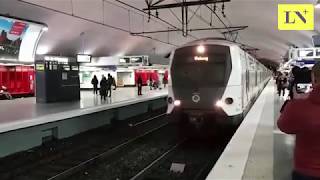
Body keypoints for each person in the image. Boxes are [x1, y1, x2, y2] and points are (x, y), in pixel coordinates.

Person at [278, 61, 320, 180]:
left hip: (307, 171)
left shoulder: (299, 106)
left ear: (313, 78)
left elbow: (283, 125)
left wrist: (295, 103)